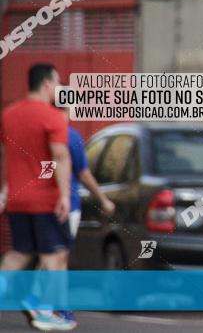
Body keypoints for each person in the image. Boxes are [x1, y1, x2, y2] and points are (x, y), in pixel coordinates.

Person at [0, 63, 75, 331]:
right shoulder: (52, 117)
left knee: (19, 253)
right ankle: (45, 310)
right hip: (45, 200)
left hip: (18, 199)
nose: (59, 89)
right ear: (46, 84)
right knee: (56, 253)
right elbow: (60, 155)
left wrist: (6, 188)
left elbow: (5, 153)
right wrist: (65, 196)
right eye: (57, 84)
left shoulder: (8, 114)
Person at [53, 107, 115, 327]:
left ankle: (42, 302)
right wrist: (103, 199)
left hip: (38, 206)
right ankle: (57, 306)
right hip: (66, 205)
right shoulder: (69, 136)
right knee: (59, 257)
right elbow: (83, 173)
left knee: (40, 255)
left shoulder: (37, 135)